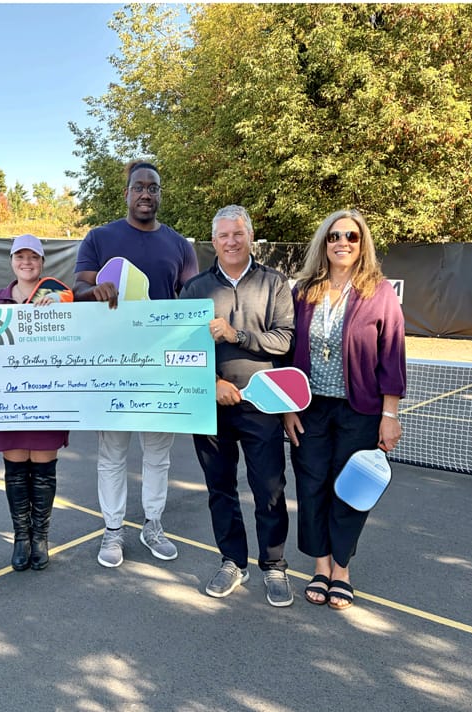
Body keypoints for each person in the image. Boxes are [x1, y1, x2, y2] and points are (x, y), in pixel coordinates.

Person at [73, 160, 198, 568]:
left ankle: (153, 525)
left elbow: (192, 301)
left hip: (161, 368)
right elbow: (77, 286)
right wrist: (94, 289)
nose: (146, 193)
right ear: (127, 193)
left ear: (160, 195)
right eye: (139, 187)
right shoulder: (99, 237)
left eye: (154, 188)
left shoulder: (180, 245)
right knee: (112, 454)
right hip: (113, 366)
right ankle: (112, 532)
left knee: (158, 456)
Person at [284, 209, 405, 610]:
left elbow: (392, 357)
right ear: (324, 241)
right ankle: (319, 567)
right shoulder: (303, 291)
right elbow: (286, 352)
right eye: (335, 235)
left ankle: (341, 570)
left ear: (362, 243)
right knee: (312, 487)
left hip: (361, 411)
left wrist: (389, 415)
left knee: (351, 491)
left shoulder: (380, 292)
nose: (343, 243)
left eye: (352, 237)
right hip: (310, 409)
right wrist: (288, 408)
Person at [180, 205, 296, 607]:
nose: (231, 241)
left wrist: (237, 334)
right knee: (220, 489)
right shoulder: (194, 289)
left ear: (250, 237)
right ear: (213, 241)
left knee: (269, 487)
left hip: (262, 403)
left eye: (238, 234)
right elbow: (182, 350)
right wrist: (212, 383)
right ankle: (233, 561)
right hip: (208, 405)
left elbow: (285, 340)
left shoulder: (275, 282)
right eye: (224, 235)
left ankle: (274, 565)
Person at [0, 235, 70, 571]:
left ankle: (41, 537)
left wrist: (60, 313)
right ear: (11, 261)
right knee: (16, 470)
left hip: (48, 394)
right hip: (9, 397)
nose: (26, 262)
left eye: (32, 257)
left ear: (42, 262)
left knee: (44, 470)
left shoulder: (60, 295)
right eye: (19, 256)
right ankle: (21, 536)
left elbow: (73, 341)